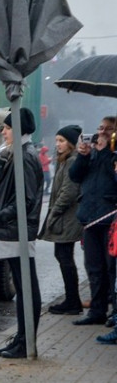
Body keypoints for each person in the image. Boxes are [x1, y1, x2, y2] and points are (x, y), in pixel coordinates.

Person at [0, 108, 44, 359]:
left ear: (19, 130)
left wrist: (1, 216)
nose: (3, 132)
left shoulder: (25, 156)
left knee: (26, 287)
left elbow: (26, 199)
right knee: (23, 287)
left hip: (17, 230)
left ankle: (25, 342)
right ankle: (22, 339)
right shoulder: (17, 152)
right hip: (14, 229)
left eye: (8, 128)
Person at [69, 116, 117, 328]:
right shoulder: (92, 153)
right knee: (94, 268)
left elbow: (113, 176)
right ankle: (97, 311)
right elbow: (75, 176)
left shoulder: (112, 155)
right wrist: (83, 156)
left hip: (110, 218)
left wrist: (106, 151)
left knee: (112, 269)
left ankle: (114, 313)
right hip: (90, 218)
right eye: (100, 128)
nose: (102, 132)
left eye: (108, 129)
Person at [43, 125, 84, 315]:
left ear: (71, 143)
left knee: (65, 257)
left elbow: (69, 192)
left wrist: (54, 212)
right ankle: (72, 299)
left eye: (62, 141)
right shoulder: (65, 160)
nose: (58, 144)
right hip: (65, 218)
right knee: (63, 256)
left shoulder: (72, 161)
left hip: (67, 218)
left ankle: (72, 301)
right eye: (57, 140)